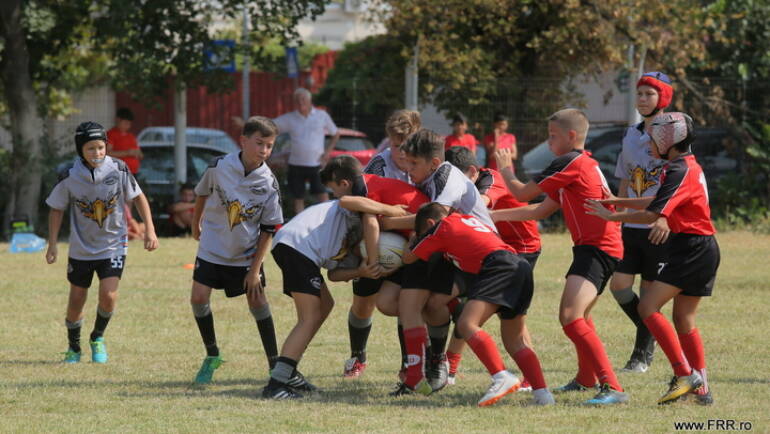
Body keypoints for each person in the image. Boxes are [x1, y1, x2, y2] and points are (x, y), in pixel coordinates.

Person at [491, 109, 628, 405]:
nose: (549, 141)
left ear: (571, 136)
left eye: (552, 136)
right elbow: (538, 211)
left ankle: (613, 387)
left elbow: (523, 194)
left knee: (570, 317)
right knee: (580, 316)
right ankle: (586, 378)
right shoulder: (578, 166)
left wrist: (505, 168)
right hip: (595, 247)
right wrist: (491, 216)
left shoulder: (570, 162)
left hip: (598, 248)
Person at [585, 112, 718, 405]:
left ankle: (685, 374)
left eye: (653, 139)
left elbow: (652, 214)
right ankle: (702, 389)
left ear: (666, 141)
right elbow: (655, 200)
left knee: (647, 306)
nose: (648, 145)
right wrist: (617, 200)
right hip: (702, 247)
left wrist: (614, 216)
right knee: (683, 319)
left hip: (691, 249)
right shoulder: (685, 165)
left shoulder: (678, 169)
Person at [380, 129, 495, 395]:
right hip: (440, 249)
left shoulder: (447, 179)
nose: (408, 170)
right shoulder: (427, 175)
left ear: (433, 163)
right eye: (406, 163)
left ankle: (415, 376)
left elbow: (433, 218)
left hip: (473, 256)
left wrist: (388, 222)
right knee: (389, 302)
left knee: (412, 304)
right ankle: (436, 350)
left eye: (413, 164)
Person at [404, 203, 554, 406]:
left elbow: (409, 257)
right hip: (519, 265)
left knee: (466, 324)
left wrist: (415, 239)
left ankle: (501, 376)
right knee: (515, 341)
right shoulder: (466, 219)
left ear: (430, 223)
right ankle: (543, 394)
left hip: (497, 266)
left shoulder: (440, 227)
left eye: (424, 232)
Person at [45, 121, 159, 364]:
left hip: (113, 245)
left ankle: (97, 337)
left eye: (100, 147)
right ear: (80, 151)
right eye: (90, 149)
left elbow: (138, 198)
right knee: (77, 299)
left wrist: (149, 230)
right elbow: (56, 209)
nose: (97, 153)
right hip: (81, 248)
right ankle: (73, 347)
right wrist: (52, 243)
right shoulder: (69, 175)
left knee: (109, 296)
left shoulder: (119, 169)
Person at [188, 116, 283, 385]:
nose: (264, 150)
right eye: (259, 143)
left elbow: (269, 228)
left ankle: (275, 364)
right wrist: (196, 224)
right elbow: (202, 193)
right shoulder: (218, 167)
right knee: (198, 298)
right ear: (243, 141)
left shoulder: (269, 183)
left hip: (245, 255)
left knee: (257, 301)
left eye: (270, 145)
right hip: (212, 249)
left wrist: (255, 270)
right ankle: (212, 354)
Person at [320, 155, 429, 379]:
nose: (335, 196)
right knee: (376, 303)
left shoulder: (363, 188)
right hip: (397, 242)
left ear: (344, 184)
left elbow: (370, 221)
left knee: (404, 305)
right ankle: (359, 358)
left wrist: (373, 262)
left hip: (416, 244)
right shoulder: (370, 176)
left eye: (334, 190)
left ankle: (417, 361)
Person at [263, 200, 382, 400]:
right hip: (297, 246)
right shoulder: (354, 214)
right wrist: (393, 210)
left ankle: (289, 373)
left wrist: (360, 271)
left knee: (326, 305)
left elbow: (334, 275)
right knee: (309, 318)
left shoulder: (353, 247)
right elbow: (361, 211)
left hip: (297, 248)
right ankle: (276, 384)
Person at [444, 146, 541, 387]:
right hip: (491, 247)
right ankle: (449, 368)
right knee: (471, 309)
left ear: (472, 172)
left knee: (504, 315)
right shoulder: (464, 182)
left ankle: (529, 379)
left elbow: (481, 206)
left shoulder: (492, 179)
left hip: (520, 248)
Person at [608, 71, 675, 373]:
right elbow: (624, 176)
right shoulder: (631, 134)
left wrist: (666, 218)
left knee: (649, 293)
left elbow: (681, 183)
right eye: (640, 94)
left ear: (663, 98)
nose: (643, 99)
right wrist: (618, 215)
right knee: (619, 285)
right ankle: (651, 331)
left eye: (650, 94)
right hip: (631, 225)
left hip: (657, 226)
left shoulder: (673, 133)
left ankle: (641, 353)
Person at [273, 88, 340, 214]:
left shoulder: (322, 115)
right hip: (296, 164)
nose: (300, 102)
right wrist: (246, 124)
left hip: (317, 164)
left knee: (322, 196)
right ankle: (300, 227)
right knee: (298, 198)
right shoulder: (290, 118)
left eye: (303, 99)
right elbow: (269, 125)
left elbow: (335, 134)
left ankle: (327, 222)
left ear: (310, 100)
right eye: (297, 100)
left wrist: (327, 152)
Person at [364, 109, 421, 184]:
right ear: (389, 142)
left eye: (407, 146)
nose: (401, 152)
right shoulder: (379, 166)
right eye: (396, 146)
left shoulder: (424, 165)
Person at [106, 107, 143, 175]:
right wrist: (127, 153)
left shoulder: (131, 136)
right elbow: (107, 153)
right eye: (125, 123)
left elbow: (140, 154)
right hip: (118, 172)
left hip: (133, 172)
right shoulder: (111, 134)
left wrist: (138, 153)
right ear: (118, 120)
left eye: (129, 124)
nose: (128, 126)